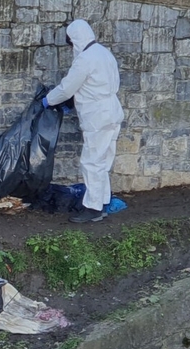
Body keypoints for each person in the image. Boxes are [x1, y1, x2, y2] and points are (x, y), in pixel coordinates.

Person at [42, 19, 125, 223]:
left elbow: (67, 88)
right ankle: (103, 201)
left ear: (76, 40)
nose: (71, 48)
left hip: (97, 115)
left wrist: (48, 100)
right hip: (112, 110)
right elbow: (93, 84)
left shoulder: (85, 59)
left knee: (92, 162)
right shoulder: (104, 53)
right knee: (103, 160)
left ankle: (93, 208)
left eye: (70, 43)